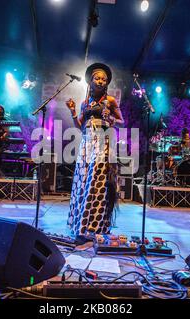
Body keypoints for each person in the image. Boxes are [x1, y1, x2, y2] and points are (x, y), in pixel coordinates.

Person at [65, 63, 124, 237]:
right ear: (90, 81)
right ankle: (82, 221)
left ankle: (95, 224)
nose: (100, 81)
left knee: (97, 180)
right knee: (83, 181)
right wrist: (73, 112)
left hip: (103, 142)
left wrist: (112, 118)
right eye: (97, 78)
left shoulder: (110, 101)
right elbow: (79, 125)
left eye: (104, 79)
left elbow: (122, 121)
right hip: (86, 144)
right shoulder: (85, 103)